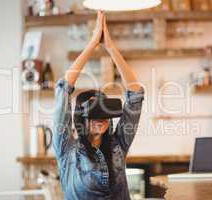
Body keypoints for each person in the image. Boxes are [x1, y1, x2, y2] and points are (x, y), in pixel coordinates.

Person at [53, 11, 144, 200]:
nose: (100, 118)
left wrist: (110, 47)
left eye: (104, 111)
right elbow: (63, 89)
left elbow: (135, 94)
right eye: (94, 112)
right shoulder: (67, 149)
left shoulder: (118, 145)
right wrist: (93, 43)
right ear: (81, 117)